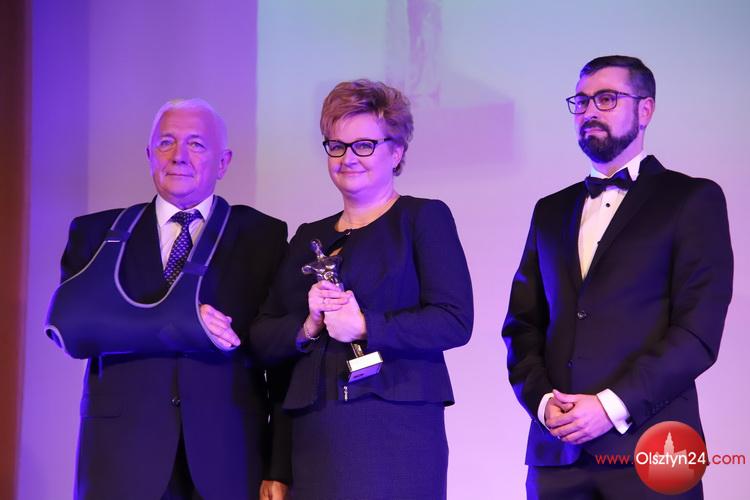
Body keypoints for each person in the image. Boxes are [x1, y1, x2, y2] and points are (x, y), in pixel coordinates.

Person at [502, 55, 733, 499]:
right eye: (582, 101)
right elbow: (523, 325)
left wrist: (610, 407)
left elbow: (697, 334)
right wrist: (544, 403)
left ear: (645, 110)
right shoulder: (550, 211)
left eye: (606, 99)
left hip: (655, 449)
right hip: (557, 457)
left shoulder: (692, 199)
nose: (590, 110)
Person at [49, 99, 290, 499]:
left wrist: (279, 467)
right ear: (149, 155)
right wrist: (183, 322)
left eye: (196, 144)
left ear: (223, 162)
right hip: (122, 459)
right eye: (166, 143)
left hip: (229, 458)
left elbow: (279, 355)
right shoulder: (97, 233)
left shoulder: (262, 236)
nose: (179, 156)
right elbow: (72, 329)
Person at [248, 79, 473, 499]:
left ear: (396, 151)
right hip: (313, 437)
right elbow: (263, 337)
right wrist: (308, 325)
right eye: (336, 146)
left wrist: (367, 325)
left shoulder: (422, 219)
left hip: (394, 432)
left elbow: (454, 321)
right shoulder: (308, 236)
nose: (348, 158)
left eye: (364, 145)